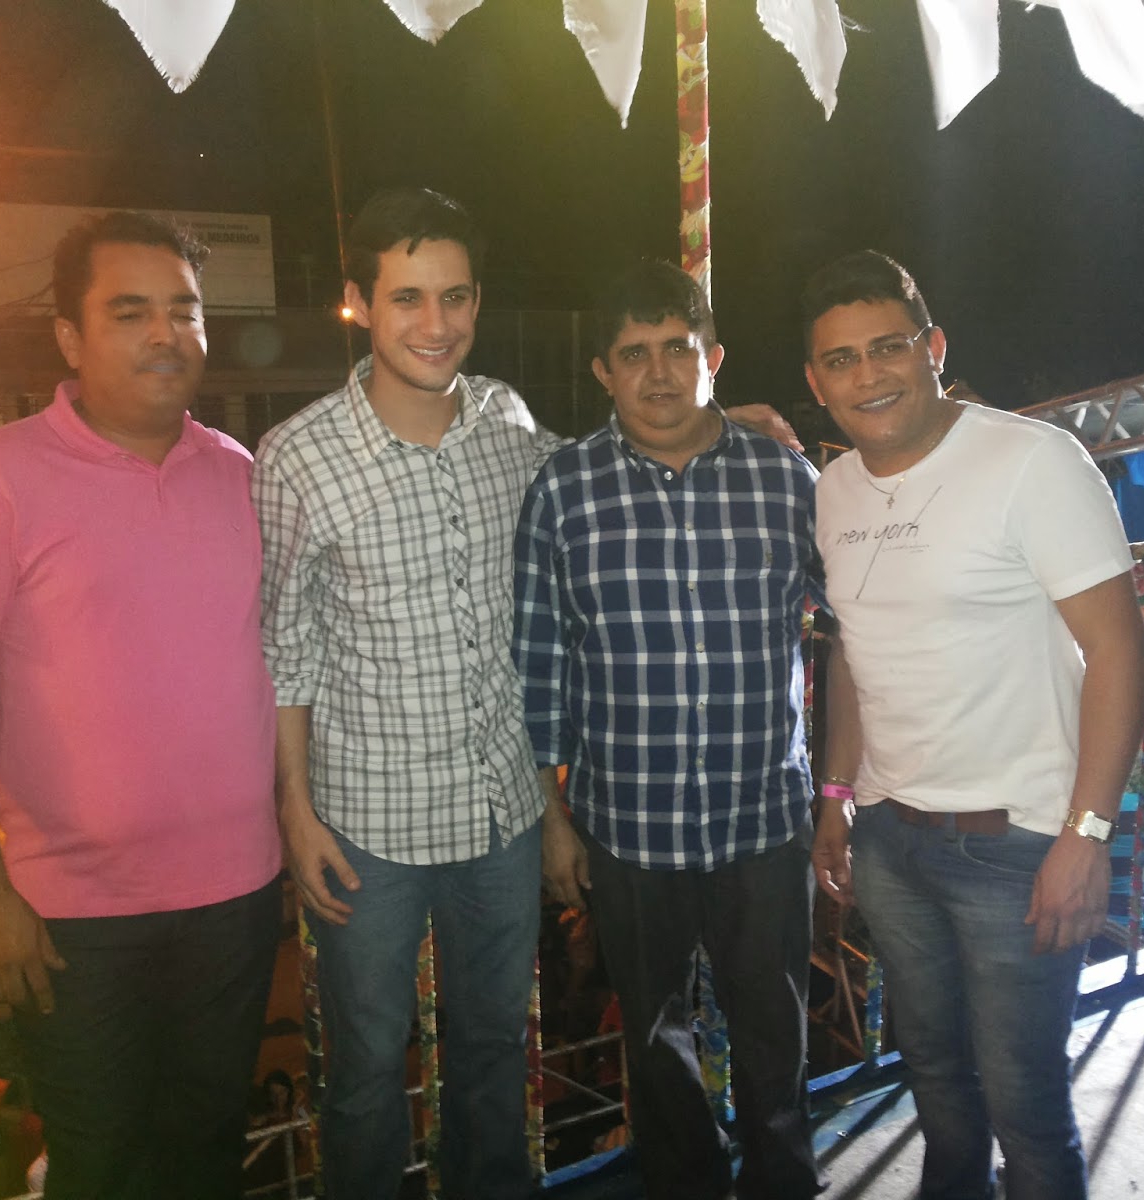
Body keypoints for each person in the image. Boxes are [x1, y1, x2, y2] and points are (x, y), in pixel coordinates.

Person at [253, 188, 798, 1200]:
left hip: (501, 814)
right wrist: (294, 807)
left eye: (455, 296)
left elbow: (624, 457)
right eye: (407, 297)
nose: (435, 322)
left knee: (496, 1050)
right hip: (366, 820)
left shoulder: (508, 424)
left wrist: (731, 423)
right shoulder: (297, 458)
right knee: (365, 1072)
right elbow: (287, 647)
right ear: (359, 304)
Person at [0, 210, 283, 1199]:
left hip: (235, 898)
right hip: (73, 917)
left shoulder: (241, 477)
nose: (165, 334)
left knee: (209, 1153)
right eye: (129, 312)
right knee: (101, 1165)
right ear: (70, 337)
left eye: (184, 311)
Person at [805, 251, 1144, 1200]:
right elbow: (853, 652)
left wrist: (1088, 835)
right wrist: (837, 794)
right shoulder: (833, 489)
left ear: (935, 347)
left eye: (889, 347)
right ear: (816, 381)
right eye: (841, 359)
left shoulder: (1031, 461)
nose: (869, 375)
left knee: (1025, 1101)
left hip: (1018, 843)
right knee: (934, 1074)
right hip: (889, 840)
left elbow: (1120, 651)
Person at [515, 261, 828, 1199]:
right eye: (633, 354)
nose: (657, 373)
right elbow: (540, 664)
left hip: (763, 816)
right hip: (628, 826)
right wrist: (553, 821)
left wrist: (845, 791)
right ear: (603, 371)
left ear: (712, 358)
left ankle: (782, 1184)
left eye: (676, 349)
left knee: (775, 1031)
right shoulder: (564, 489)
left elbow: (863, 619)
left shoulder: (787, 480)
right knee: (653, 1041)